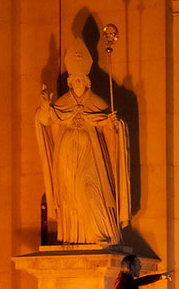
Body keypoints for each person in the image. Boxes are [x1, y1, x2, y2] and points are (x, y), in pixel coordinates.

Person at [36, 37, 131, 246]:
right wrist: (45, 107)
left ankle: (101, 233)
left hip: (91, 159)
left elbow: (110, 127)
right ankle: (74, 237)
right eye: (74, 80)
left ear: (87, 81)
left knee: (90, 191)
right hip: (67, 159)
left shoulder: (97, 102)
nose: (77, 83)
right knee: (71, 197)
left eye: (81, 80)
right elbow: (45, 120)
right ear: (69, 81)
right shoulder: (62, 103)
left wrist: (114, 125)